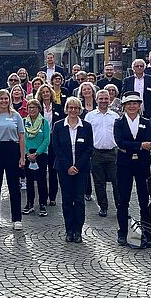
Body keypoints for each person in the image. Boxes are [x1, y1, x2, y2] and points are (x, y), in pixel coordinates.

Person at [114, 91, 151, 248]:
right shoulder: (118, 122)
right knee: (123, 200)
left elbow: (149, 142)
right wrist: (140, 146)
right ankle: (122, 232)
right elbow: (119, 142)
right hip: (124, 166)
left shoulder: (146, 122)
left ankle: (147, 234)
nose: (132, 106)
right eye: (129, 104)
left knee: (144, 200)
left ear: (139, 105)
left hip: (142, 165)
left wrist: (131, 147)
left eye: (135, 103)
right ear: (124, 106)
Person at [0, 89, 27, 231]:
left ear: (9, 100)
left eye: (6, 98)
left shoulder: (16, 116)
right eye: (1, 99)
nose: (3, 101)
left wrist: (22, 157)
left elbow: (21, 137)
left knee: (14, 186)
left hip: (12, 149)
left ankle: (17, 219)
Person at [53, 97, 93, 243]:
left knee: (79, 200)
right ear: (66, 109)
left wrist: (77, 166)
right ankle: (69, 230)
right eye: (71, 107)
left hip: (81, 169)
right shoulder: (58, 126)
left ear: (80, 110)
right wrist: (68, 166)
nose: (73, 110)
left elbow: (89, 148)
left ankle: (78, 231)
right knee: (67, 200)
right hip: (64, 169)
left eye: (76, 108)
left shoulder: (86, 126)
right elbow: (56, 148)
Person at [85, 89, 121, 218]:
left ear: (110, 100)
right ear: (96, 100)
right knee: (99, 182)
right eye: (101, 98)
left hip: (113, 152)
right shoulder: (90, 116)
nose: (103, 101)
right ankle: (103, 207)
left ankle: (120, 207)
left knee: (117, 181)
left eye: (106, 98)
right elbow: (86, 135)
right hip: (96, 153)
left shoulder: (115, 116)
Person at [37, 84, 65, 206]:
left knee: (53, 170)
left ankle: (52, 197)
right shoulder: (38, 108)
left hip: (54, 141)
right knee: (42, 171)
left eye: (47, 92)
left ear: (51, 93)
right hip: (42, 141)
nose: (45, 94)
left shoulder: (58, 107)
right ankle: (43, 197)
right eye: (43, 92)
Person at [23, 99, 50, 217]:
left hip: (41, 154)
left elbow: (47, 139)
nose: (32, 109)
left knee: (41, 180)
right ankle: (29, 203)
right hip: (28, 154)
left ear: (39, 109)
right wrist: (27, 153)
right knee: (29, 181)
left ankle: (43, 203)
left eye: (34, 107)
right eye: (30, 107)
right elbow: (21, 138)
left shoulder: (44, 122)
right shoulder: (24, 122)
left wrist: (37, 153)